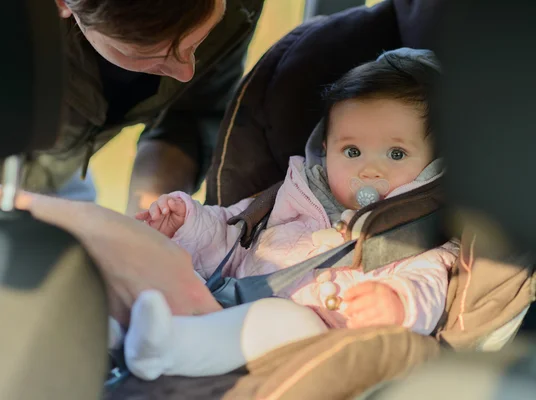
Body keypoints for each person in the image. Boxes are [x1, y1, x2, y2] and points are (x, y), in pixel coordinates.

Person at [123, 48, 460, 379]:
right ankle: (122, 330)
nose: (370, 169)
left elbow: (426, 283)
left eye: (396, 153)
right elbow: (231, 238)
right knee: (171, 275)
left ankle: (166, 348)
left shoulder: (417, 232)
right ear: (325, 150)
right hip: (228, 299)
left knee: (287, 320)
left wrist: (398, 304)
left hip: (307, 342)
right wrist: (187, 224)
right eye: (352, 151)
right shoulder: (291, 195)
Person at [0, 0, 264, 212]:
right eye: (151, 53)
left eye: (198, 42)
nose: (186, 72)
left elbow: (189, 116)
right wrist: (87, 226)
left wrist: (147, 218)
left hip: (60, 180)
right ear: (63, 4)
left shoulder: (239, 6)